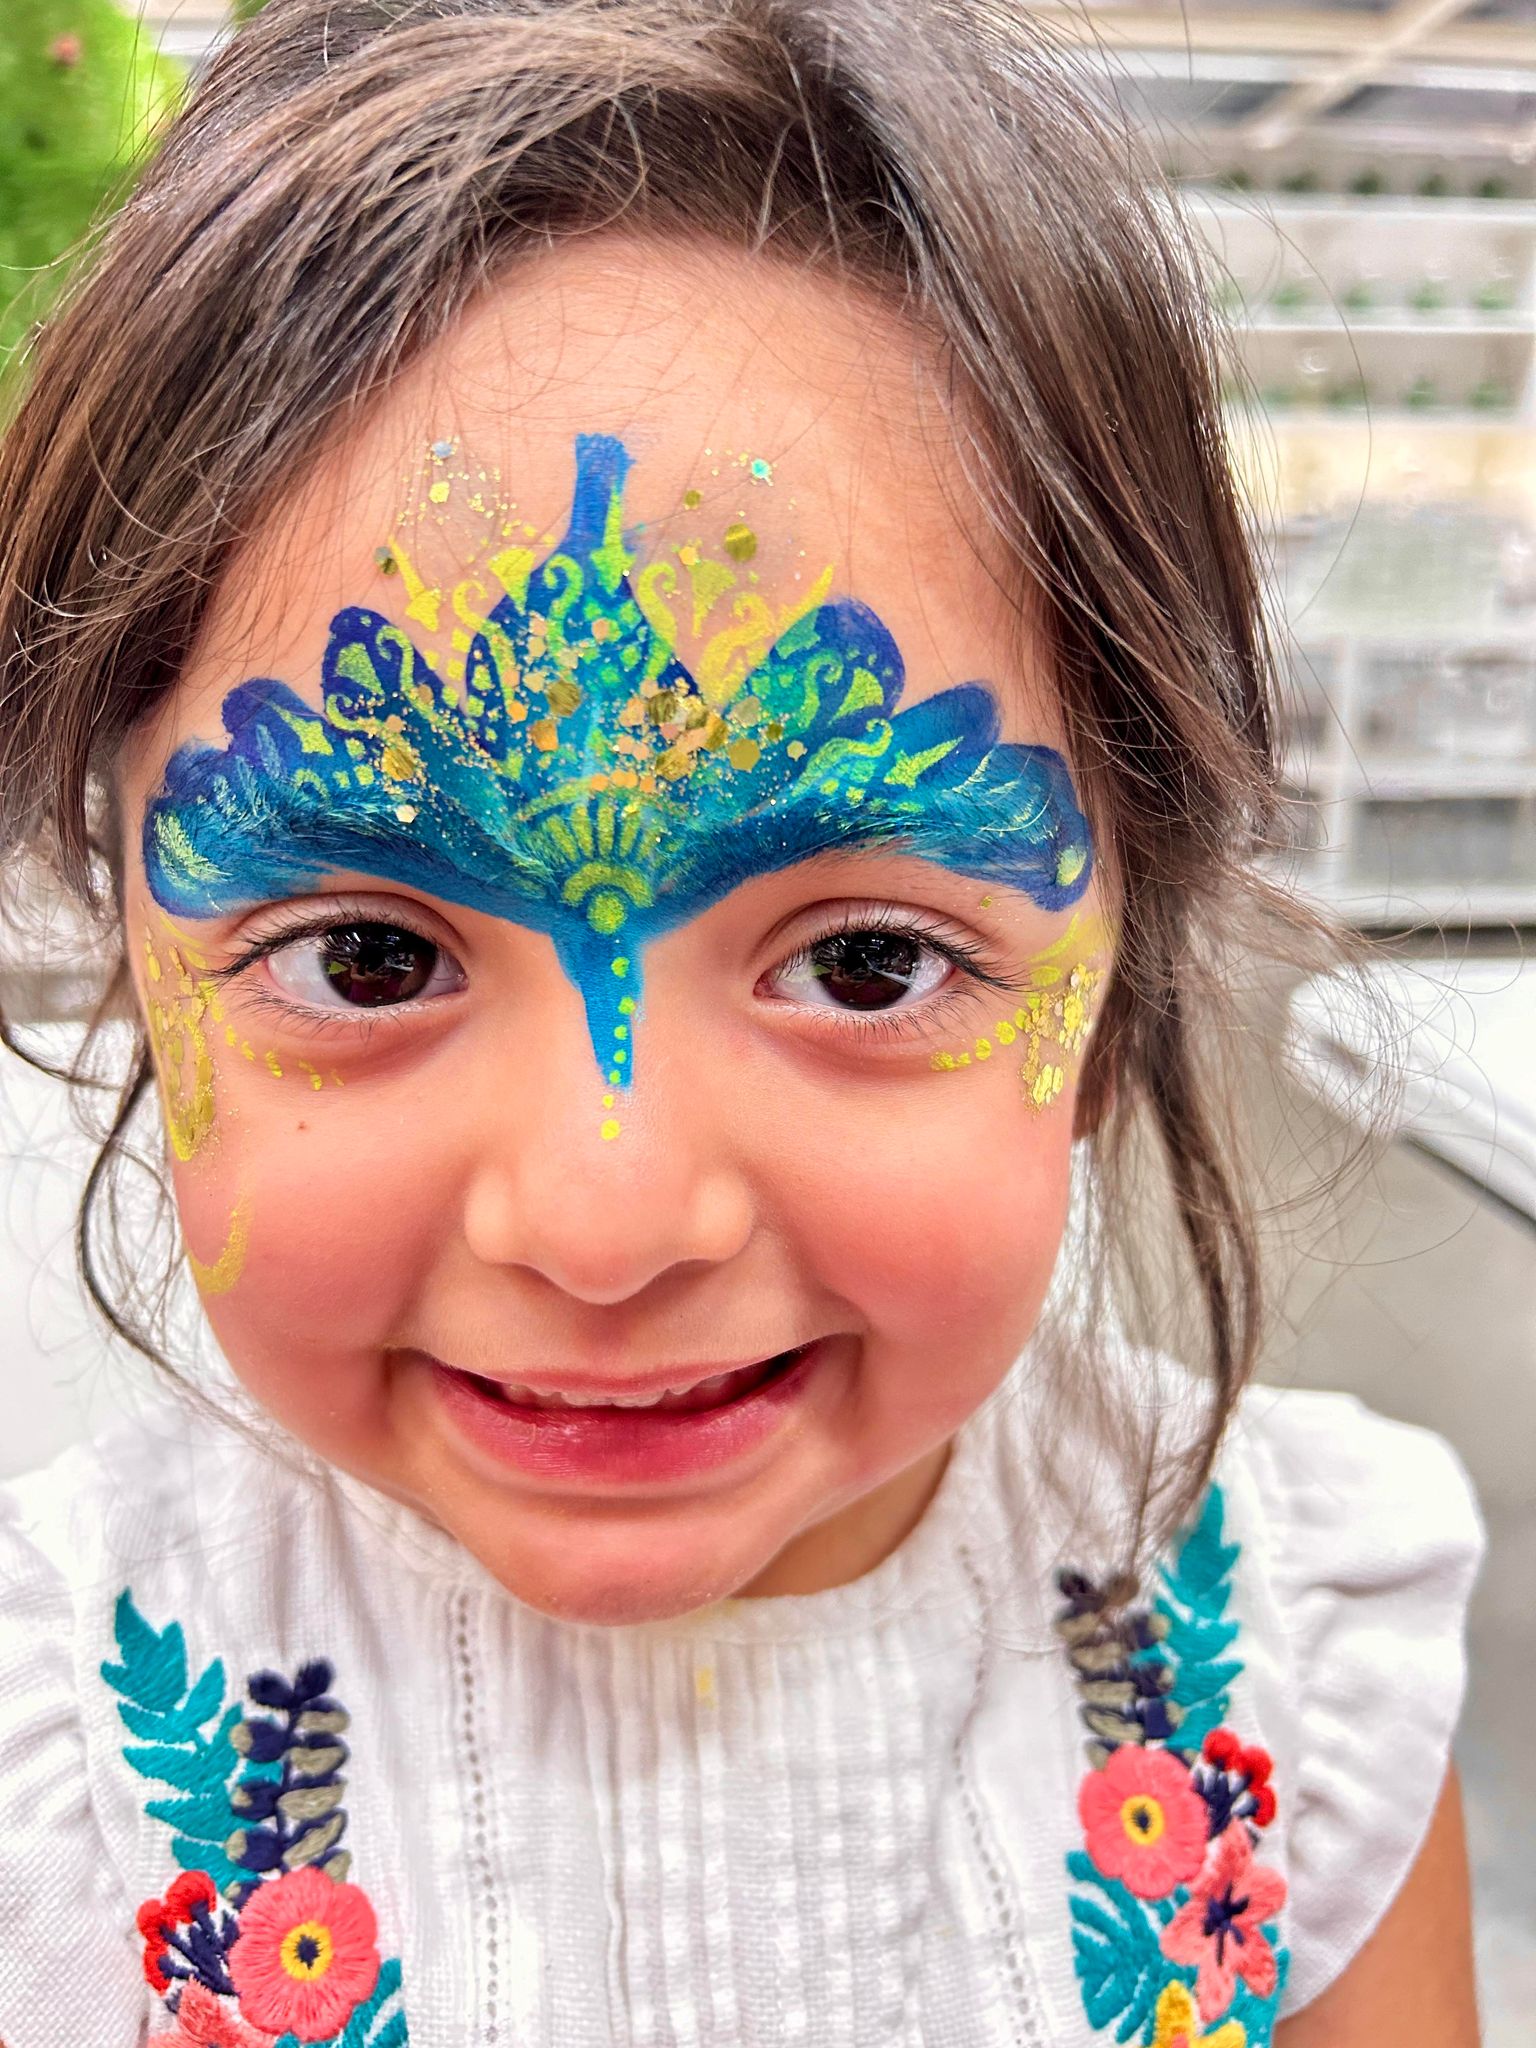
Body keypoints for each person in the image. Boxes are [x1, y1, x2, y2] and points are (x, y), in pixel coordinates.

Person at [0, 2, 1483, 2043]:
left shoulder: (1310, 1680)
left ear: (1124, 981)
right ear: (139, 960)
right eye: (367, 958)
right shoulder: (51, 1759)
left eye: (868, 963)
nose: (607, 1229)